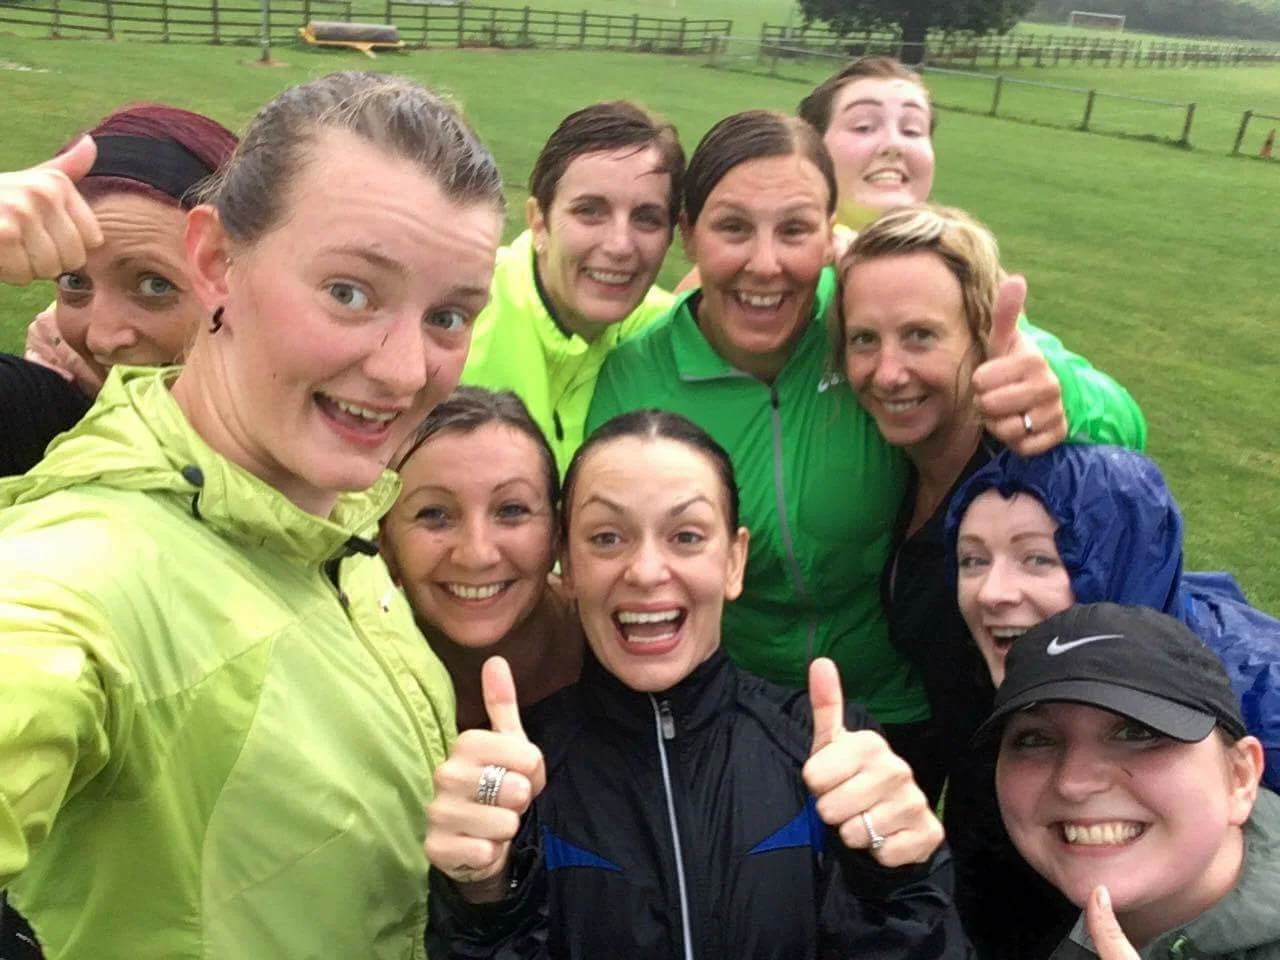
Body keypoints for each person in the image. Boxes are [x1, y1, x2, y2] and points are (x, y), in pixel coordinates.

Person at [0, 71, 505, 958]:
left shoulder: (327, 519)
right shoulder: (79, 575)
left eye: (449, 316)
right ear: (215, 263)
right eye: (349, 292)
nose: (405, 370)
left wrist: (483, 872)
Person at [587, 110, 1137, 776]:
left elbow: (1111, 418)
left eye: (795, 229)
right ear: (688, 234)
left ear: (830, 235)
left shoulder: (867, 314)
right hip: (738, 706)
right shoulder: (637, 375)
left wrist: (1062, 394)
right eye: (733, 228)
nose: (765, 264)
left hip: (900, 702)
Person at [424, 410, 969, 958]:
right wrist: (481, 901)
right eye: (607, 538)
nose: (646, 571)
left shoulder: (831, 756)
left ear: (734, 561)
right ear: (566, 563)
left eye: (686, 536)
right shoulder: (514, 777)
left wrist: (901, 882)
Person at [947, 443, 1280, 788]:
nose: (990, 593)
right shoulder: (979, 675)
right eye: (973, 560)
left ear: (1122, 569)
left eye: (1037, 559)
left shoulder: (1262, 715)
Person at [977, 603, 1279, 960]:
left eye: (1137, 733)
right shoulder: (1016, 890)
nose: (1073, 783)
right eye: (1035, 739)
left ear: (1240, 777)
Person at [0, 104, 238, 475]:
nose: (101, 339)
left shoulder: (323, 435)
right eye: (74, 282)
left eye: (154, 285)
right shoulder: (43, 417)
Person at [459, 100, 683, 475]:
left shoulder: (672, 335)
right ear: (539, 223)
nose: (620, 245)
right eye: (589, 211)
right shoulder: (462, 314)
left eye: (647, 218)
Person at [381, 386, 583, 731]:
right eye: (434, 514)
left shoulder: (615, 644)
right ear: (384, 542)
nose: (476, 555)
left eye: (511, 510)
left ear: (558, 534)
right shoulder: (363, 679)